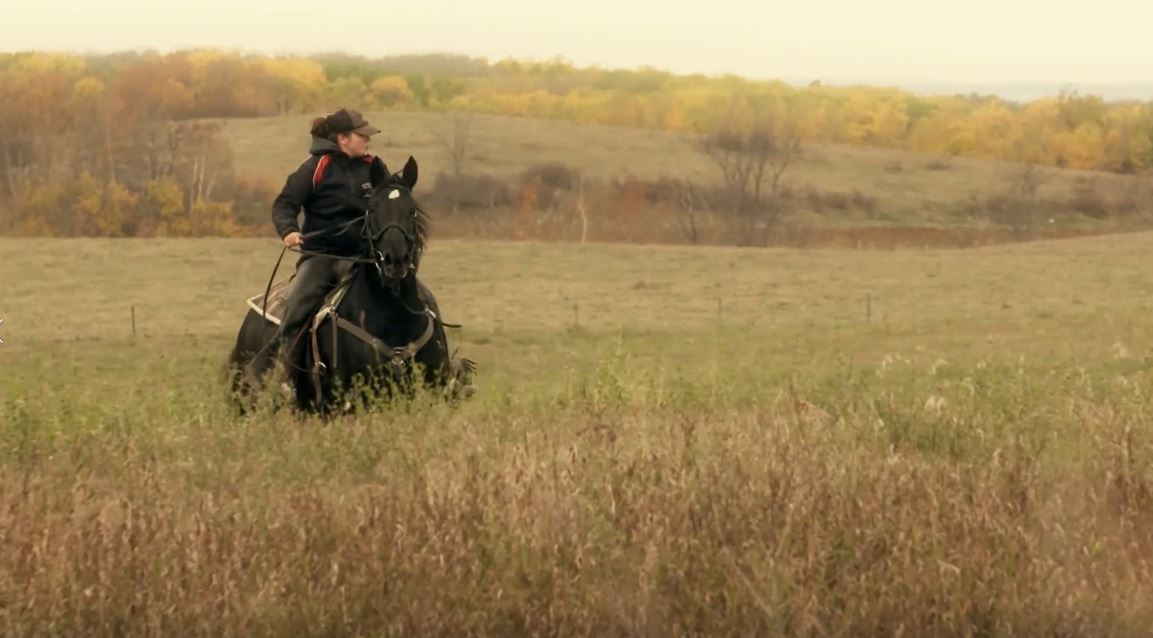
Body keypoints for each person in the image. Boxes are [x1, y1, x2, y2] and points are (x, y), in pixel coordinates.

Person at [265, 108, 386, 378]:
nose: (368, 141)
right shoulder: (315, 168)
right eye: (362, 135)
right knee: (296, 307)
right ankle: (283, 373)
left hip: (365, 257)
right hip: (323, 258)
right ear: (343, 138)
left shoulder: (374, 167)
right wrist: (289, 231)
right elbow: (284, 204)